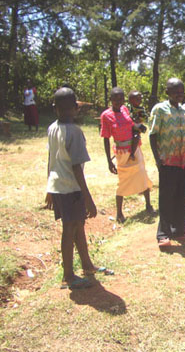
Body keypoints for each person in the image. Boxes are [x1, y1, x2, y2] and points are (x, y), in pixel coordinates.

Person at [45, 87, 112, 290]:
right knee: (70, 228)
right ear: (76, 108)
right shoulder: (74, 131)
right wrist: (88, 199)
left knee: (78, 226)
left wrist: (49, 187)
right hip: (71, 189)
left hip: (58, 186)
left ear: (55, 109)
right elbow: (76, 168)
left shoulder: (52, 128)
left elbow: (51, 159)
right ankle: (68, 276)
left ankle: (87, 265)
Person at [149, 78, 185, 248]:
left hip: (183, 161)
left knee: (183, 197)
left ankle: (179, 231)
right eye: (175, 91)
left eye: (181, 91)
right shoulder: (160, 110)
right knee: (167, 198)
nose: (179, 94)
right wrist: (157, 159)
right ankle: (163, 234)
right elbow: (153, 135)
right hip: (167, 160)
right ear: (167, 92)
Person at [100, 87, 153, 223]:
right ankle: (119, 213)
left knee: (142, 174)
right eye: (115, 99)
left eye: (120, 99)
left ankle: (148, 205)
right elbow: (106, 138)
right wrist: (109, 161)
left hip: (135, 149)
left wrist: (138, 127)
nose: (118, 101)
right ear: (110, 100)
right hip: (122, 152)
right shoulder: (106, 115)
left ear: (124, 100)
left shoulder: (125, 110)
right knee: (123, 181)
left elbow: (131, 125)